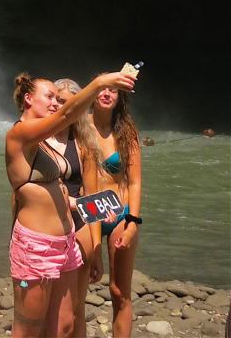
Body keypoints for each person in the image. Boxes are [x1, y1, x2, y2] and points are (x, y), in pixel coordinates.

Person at [6, 70, 136, 338]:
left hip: (65, 243)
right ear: (29, 99)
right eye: (50, 96)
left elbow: (61, 193)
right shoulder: (20, 134)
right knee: (29, 330)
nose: (55, 102)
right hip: (36, 246)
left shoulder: (46, 144)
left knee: (65, 325)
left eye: (58, 98)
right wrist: (100, 83)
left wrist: (94, 206)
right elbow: (66, 115)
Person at [49, 78, 104, 338]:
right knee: (48, 311)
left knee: (76, 311)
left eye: (69, 102)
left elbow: (92, 198)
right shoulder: (38, 138)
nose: (63, 107)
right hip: (43, 231)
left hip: (78, 229)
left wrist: (97, 251)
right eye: (58, 100)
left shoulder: (83, 144)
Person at [91, 81, 142, 338]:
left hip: (119, 213)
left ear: (119, 98)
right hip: (87, 215)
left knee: (120, 292)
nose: (107, 93)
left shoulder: (126, 132)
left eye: (113, 90)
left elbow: (134, 181)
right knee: (77, 291)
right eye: (102, 88)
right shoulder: (79, 128)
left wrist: (133, 222)